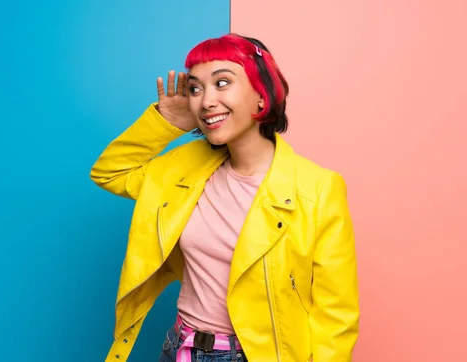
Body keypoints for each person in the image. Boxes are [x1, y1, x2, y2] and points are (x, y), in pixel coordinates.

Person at [90, 33, 359, 362]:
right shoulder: (182, 170)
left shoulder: (318, 188)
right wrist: (165, 123)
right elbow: (109, 172)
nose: (205, 101)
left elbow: (336, 315)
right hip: (180, 348)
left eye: (222, 83)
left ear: (261, 97)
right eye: (195, 88)